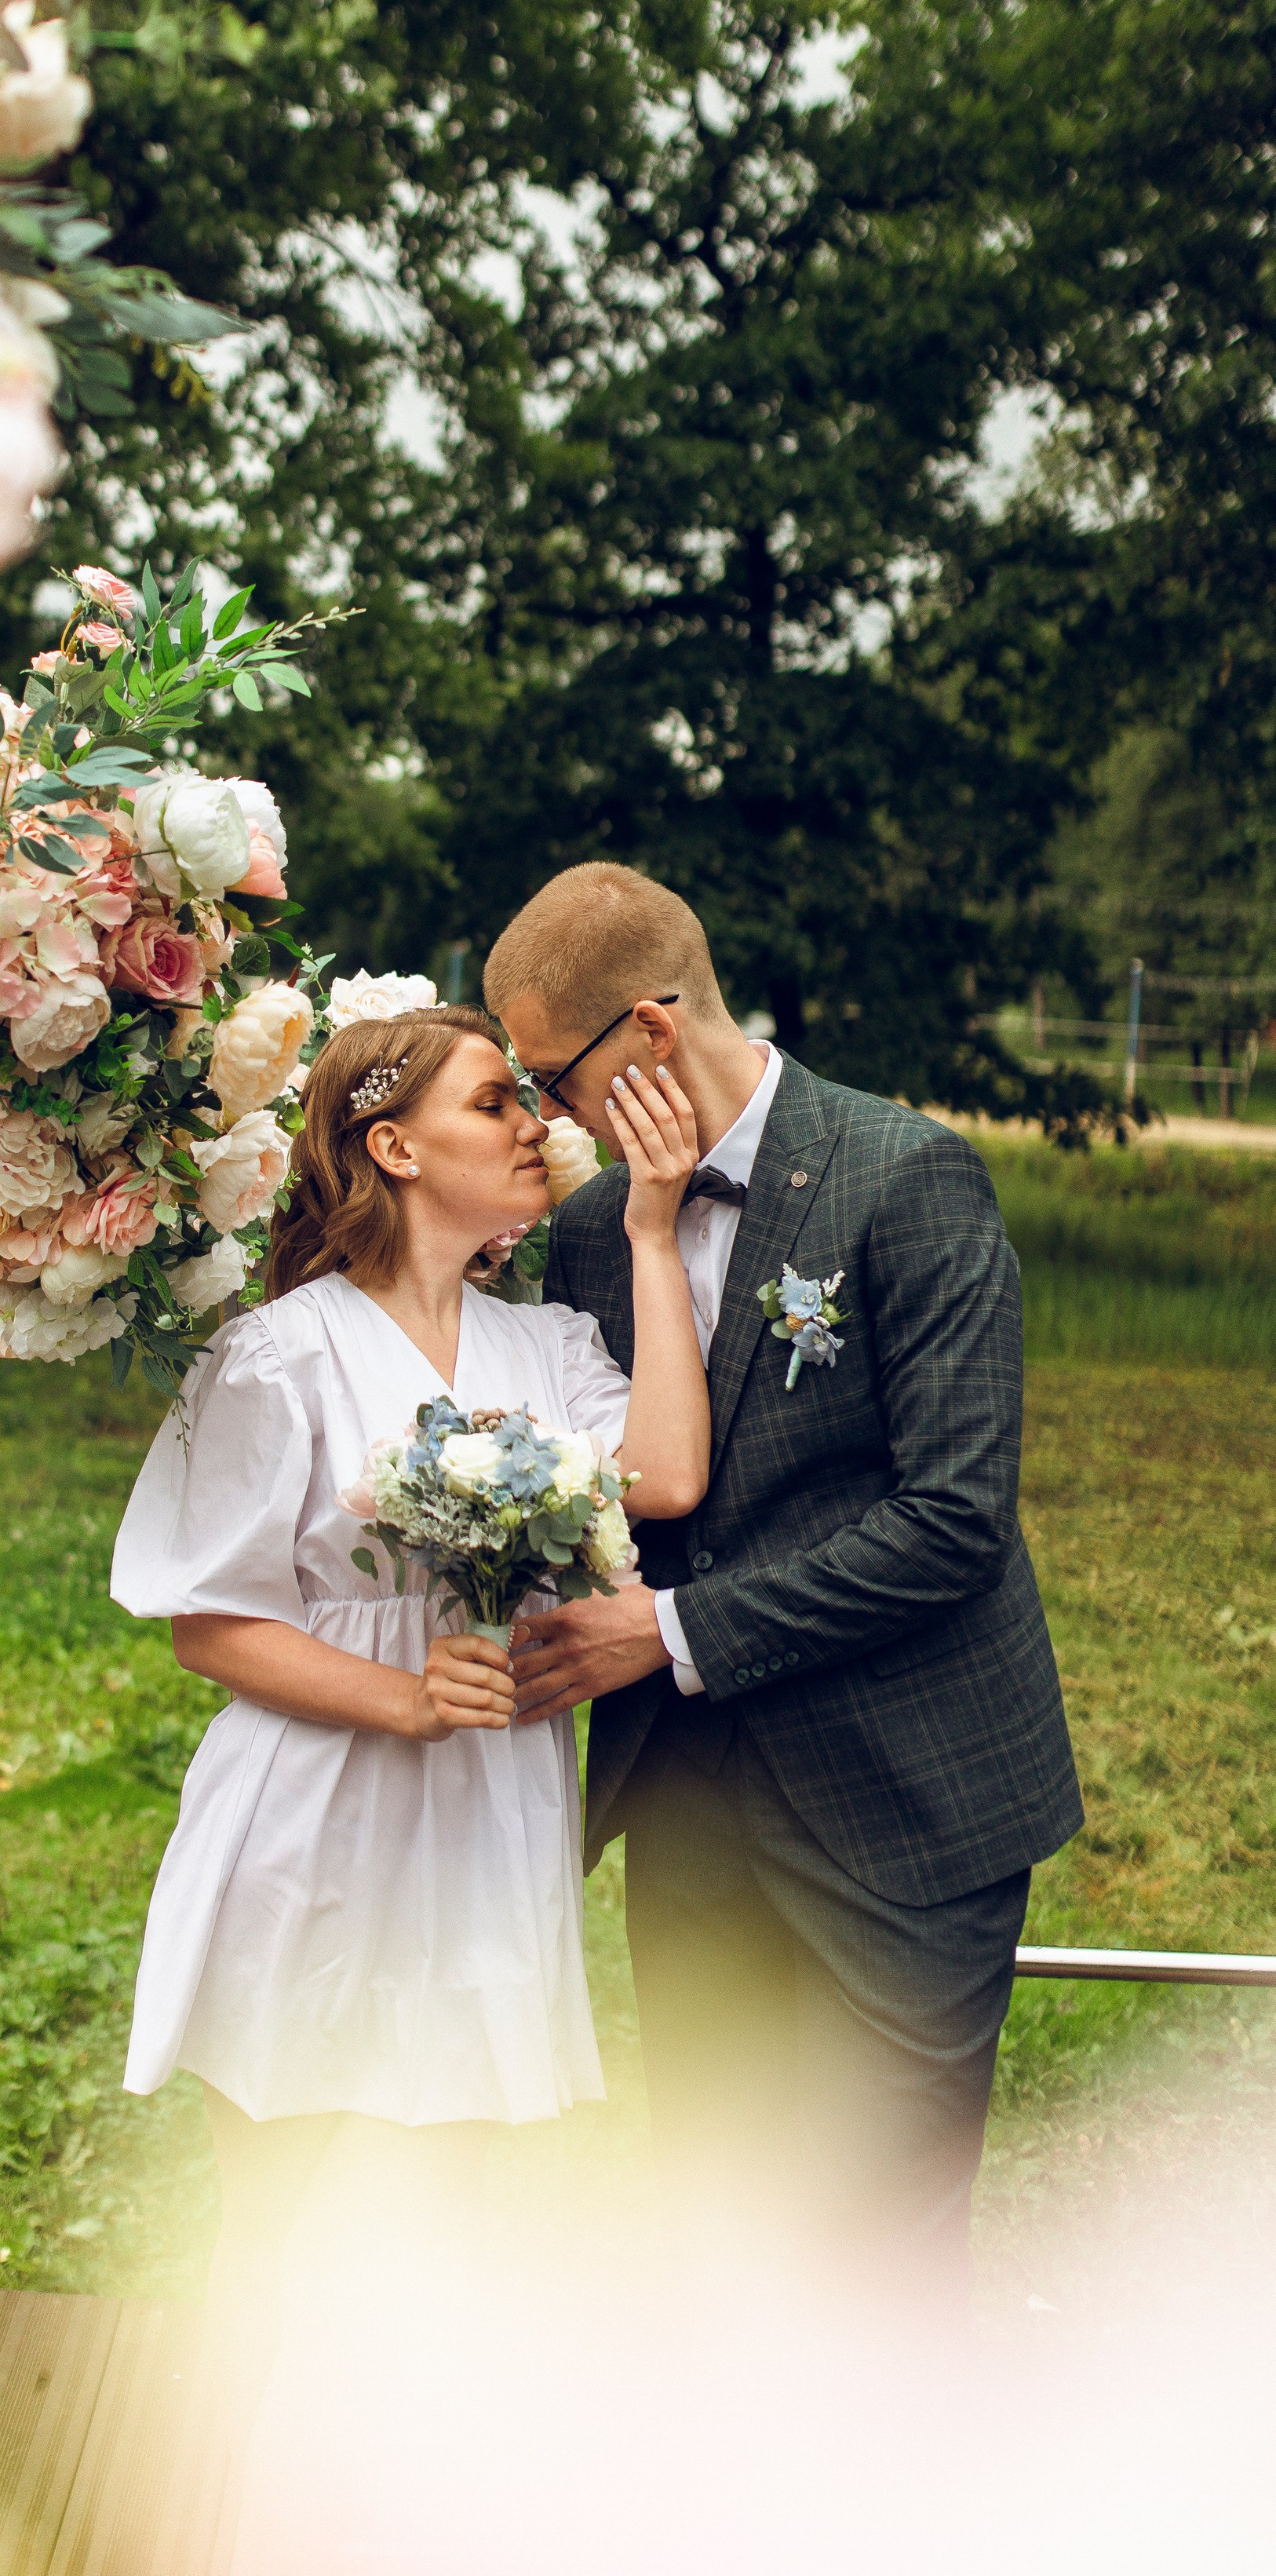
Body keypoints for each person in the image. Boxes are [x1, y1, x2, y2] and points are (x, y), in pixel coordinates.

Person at [483, 862, 1084, 2307]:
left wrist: (673, 1632)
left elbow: (951, 1523)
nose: (540, 1113)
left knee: (882, 2251)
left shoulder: (904, 1176)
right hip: (686, 1807)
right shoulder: (583, 1236)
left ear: (645, 1030)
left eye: (545, 1076)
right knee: (720, 2219)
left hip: (905, 1795)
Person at [108, 1003, 710, 2416]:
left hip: (486, 1810)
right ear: (393, 1146)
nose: (538, 1127)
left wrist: (649, 1233)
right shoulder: (279, 1356)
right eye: (498, 1102)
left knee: (446, 2213)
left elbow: (668, 1477)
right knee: (276, 2213)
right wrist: (403, 1693)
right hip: (314, 1813)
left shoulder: (546, 1345)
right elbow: (212, 1620)